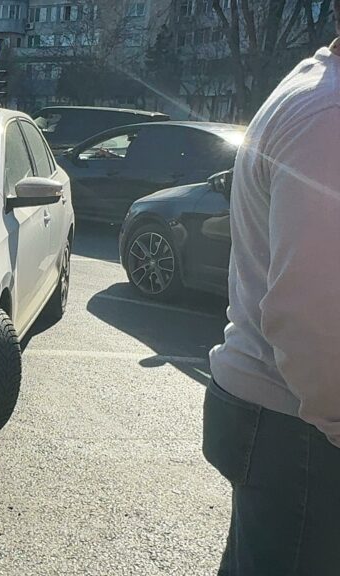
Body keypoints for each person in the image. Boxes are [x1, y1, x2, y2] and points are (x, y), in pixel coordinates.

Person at [205, 3, 340, 574]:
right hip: (304, 431)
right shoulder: (329, 116)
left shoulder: (317, 89)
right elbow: (312, 319)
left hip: (285, 421)